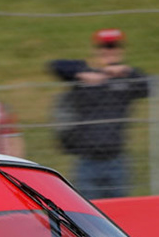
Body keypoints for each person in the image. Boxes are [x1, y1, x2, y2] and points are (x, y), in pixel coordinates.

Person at [51, 28, 151, 199]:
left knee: (120, 208)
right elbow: (56, 66)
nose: (109, 51)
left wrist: (126, 71)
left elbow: (148, 87)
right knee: (88, 208)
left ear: (121, 50)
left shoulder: (126, 79)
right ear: (97, 50)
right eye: (104, 47)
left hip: (116, 159)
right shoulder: (84, 74)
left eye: (113, 47)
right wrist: (82, 73)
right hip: (86, 160)